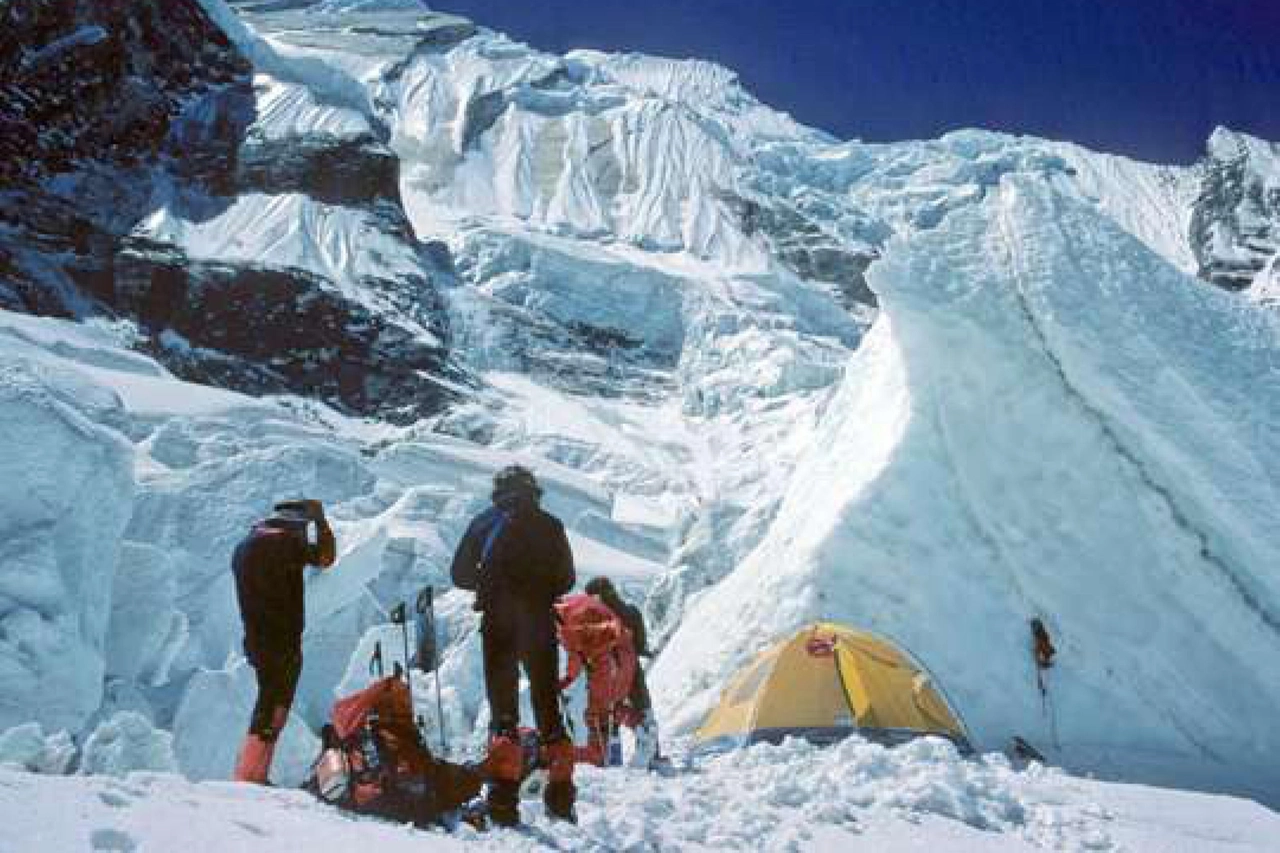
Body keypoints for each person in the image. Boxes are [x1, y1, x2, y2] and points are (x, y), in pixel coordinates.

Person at [450, 465, 577, 825]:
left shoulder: (484, 522)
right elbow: (566, 578)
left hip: (499, 622)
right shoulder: (551, 524)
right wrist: (538, 593)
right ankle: (561, 798)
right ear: (533, 490)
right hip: (538, 621)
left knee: (503, 710)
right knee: (547, 705)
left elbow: (458, 574)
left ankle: (503, 803)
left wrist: (489, 586)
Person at [231, 499, 336, 784]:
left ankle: (251, 772)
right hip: (282, 640)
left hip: (255, 636)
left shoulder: (244, 546)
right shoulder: (283, 544)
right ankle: (251, 776)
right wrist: (320, 521)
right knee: (275, 707)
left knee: (266, 703)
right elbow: (326, 558)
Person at [583, 576, 662, 767]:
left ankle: (612, 759)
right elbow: (640, 645)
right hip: (635, 674)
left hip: (609, 675)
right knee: (645, 712)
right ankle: (653, 756)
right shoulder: (632, 612)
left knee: (610, 717)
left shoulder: (594, 618)